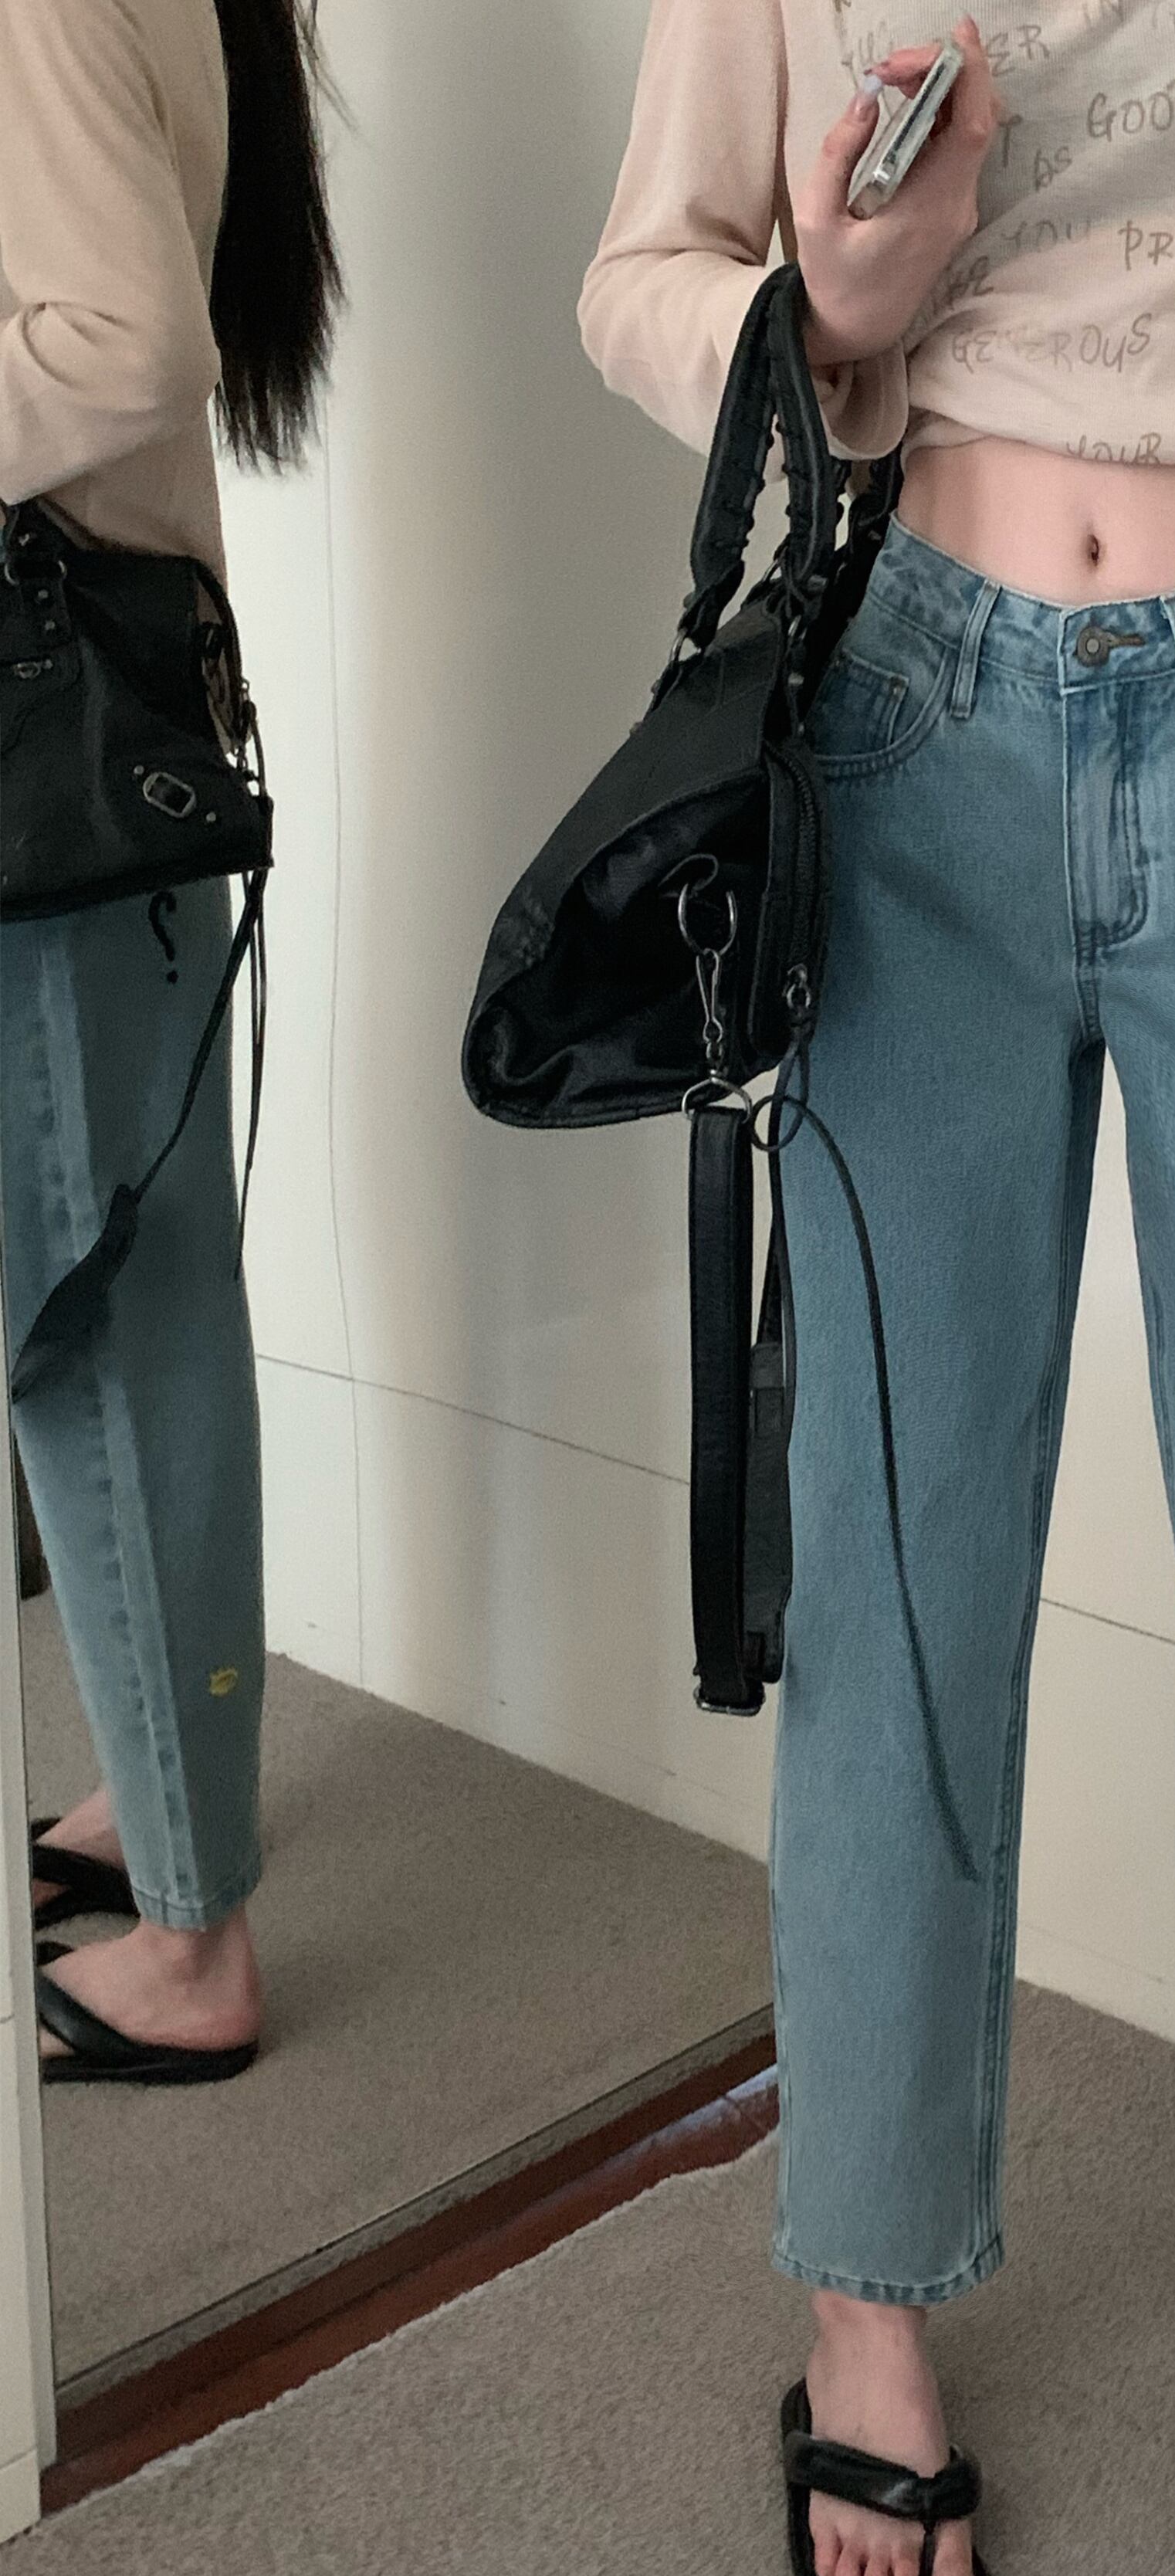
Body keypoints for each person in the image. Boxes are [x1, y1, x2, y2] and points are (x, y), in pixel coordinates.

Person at [582, 1, 1175, 2576]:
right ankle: (864, 2305)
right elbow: (643, 277)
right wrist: (829, 311)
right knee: (890, 1576)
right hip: (914, 718)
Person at [0, 0, 339, 2082]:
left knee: (102, 1327)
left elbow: (123, 344)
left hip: (57, 749)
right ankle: (162, 1799)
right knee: (130, 1300)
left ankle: (197, 1945)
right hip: (96, 735)